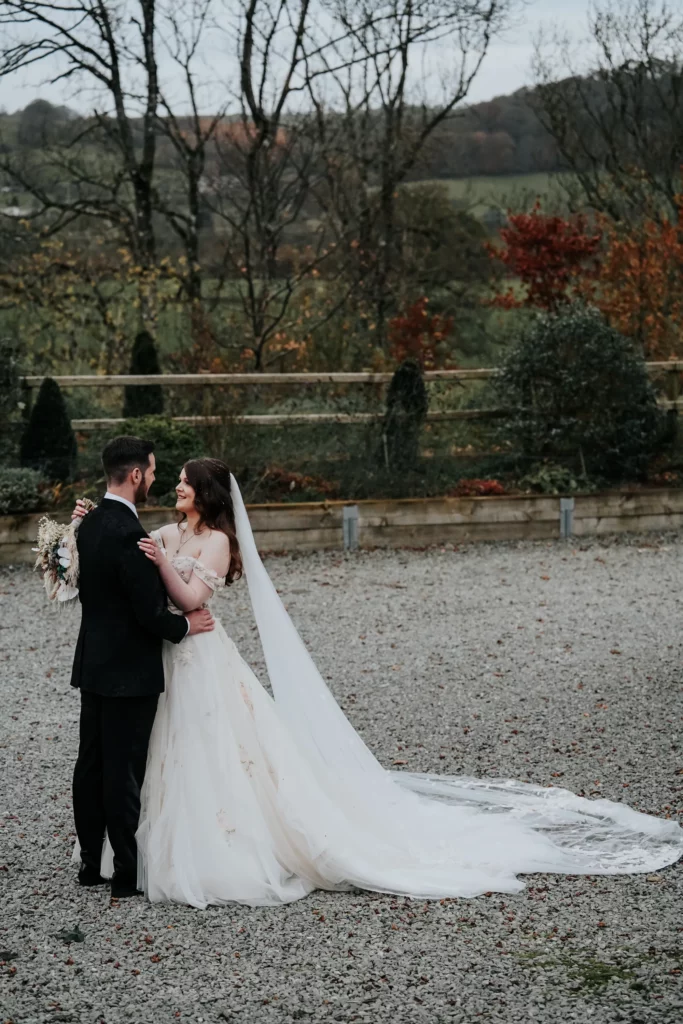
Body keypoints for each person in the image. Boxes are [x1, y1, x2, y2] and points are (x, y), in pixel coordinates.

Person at [72, 456, 683, 908]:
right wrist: (99, 529)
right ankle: (135, 848)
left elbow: (187, 597)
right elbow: (133, 565)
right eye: (169, 478)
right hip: (168, 661)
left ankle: (217, 848)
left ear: (203, 492)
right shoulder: (169, 533)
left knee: (219, 752)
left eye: (182, 481)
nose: (174, 486)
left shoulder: (218, 541)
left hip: (201, 655)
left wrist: (163, 575)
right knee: (156, 751)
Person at [71, 437, 214, 899]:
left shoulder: (87, 526)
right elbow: (151, 615)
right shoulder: (131, 536)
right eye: (152, 472)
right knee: (124, 770)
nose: (155, 479)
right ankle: (126, 877)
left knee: (89, 765)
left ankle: (91, 866)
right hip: (129, 671)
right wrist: (187, 627)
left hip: (92, 663)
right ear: (135, 475)